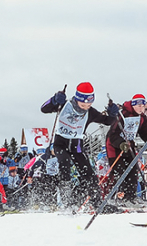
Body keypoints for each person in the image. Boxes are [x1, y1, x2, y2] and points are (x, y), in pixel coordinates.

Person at [40, 82, 115, 210]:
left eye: (89, 105)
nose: (85, 107)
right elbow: (44, 109)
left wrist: (113, 114)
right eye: (82, 105)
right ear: (77, 99)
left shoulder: (90, 112)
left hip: (77, 147)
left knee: (89, 174)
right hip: (60, 144)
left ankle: (98, 204)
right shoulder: (64, 105)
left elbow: (107, 121)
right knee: (64, 165)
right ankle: (67, 203)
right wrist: (54, 100)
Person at [105, 94, 147, 206]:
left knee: (133, 171)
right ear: (133, 105)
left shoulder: (141, 117)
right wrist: (120, 144)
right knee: (119, 171)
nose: (141, 108)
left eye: (143, 106)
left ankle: (130, 197)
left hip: (129, 145)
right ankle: (113, 195)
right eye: (139, 106)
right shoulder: (122, 115)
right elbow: (112, 134)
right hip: (115, 146)